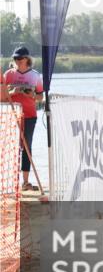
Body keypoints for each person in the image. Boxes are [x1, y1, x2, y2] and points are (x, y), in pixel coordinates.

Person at [1, 46, 44, 191]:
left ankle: (25, 182)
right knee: (13, 147)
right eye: (15, 58)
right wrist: (13, 91)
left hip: (30, 115)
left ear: (27, 59)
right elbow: (2, 98)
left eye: (20, 58)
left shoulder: (35, 76)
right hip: (12, 115)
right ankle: (11, 181)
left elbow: (40, 97)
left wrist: (30, 95)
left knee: (27, 147)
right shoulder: (8, 75)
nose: (17, 61)